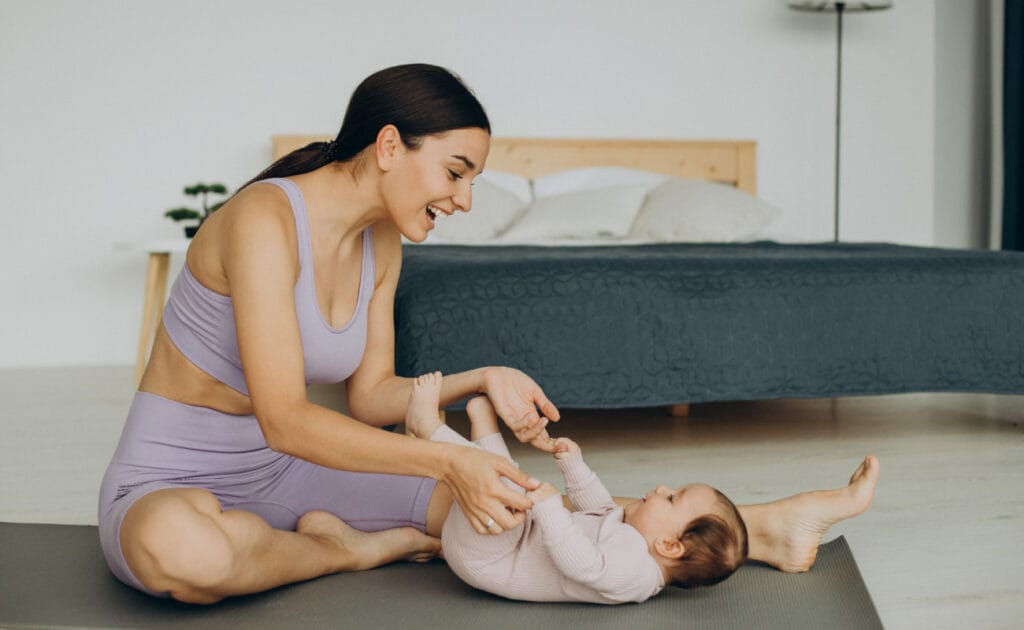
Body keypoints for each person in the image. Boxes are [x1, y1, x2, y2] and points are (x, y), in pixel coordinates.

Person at [98, 63, 880, 606]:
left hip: (299, 474)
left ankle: (767, 527)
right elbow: (286, 416)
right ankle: (350, 549)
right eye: (457, 172)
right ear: (391, 144)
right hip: (178, 471)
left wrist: (480, 377)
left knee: (503, 511)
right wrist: (447, 458)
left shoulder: (380, 244)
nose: (466, 199)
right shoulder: (264, 219)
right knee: (182, 553)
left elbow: (368, 399)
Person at [405, 372, 748, 604]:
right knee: (510, 480)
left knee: (509, 489)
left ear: (669, 545)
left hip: (492, 556)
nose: (661, 487)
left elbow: (584, 566)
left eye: (672, 498)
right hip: (503, 540)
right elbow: (597, 508)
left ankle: (430, 430)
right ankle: (482, 425)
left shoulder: (637, 574)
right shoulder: (632, 535)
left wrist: (551, 509)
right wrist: (574, 465)